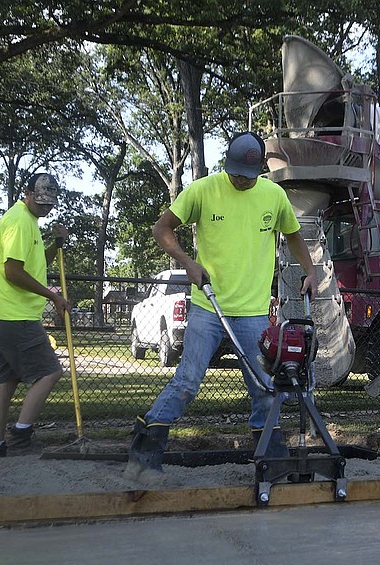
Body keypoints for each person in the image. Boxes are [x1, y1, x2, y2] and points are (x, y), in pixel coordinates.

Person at [125, 131, 316, 483]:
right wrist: (186, 261)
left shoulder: (274, 196)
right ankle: (144, 452)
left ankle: (269, 460)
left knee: (264, 388)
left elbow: (292, 235)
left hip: (254, 312)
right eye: (235, 172)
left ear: (260, 168)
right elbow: (161, 228)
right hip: (208, 309)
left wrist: (309, 270)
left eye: (248, 174)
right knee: (187, 382)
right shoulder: (202, 190)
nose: (241, 179)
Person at [0, 173, 70, 456]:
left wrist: (55, 244)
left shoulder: (27, 221)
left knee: (6, 381)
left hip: (1, 312)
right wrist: (52, 295)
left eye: (50, 204)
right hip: (12, 313)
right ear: (27, 193)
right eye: (40, 202)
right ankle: (21, 432)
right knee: (50, 372)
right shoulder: (19, 222)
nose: (45, 208)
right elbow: (13, 272)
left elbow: (35, 263)